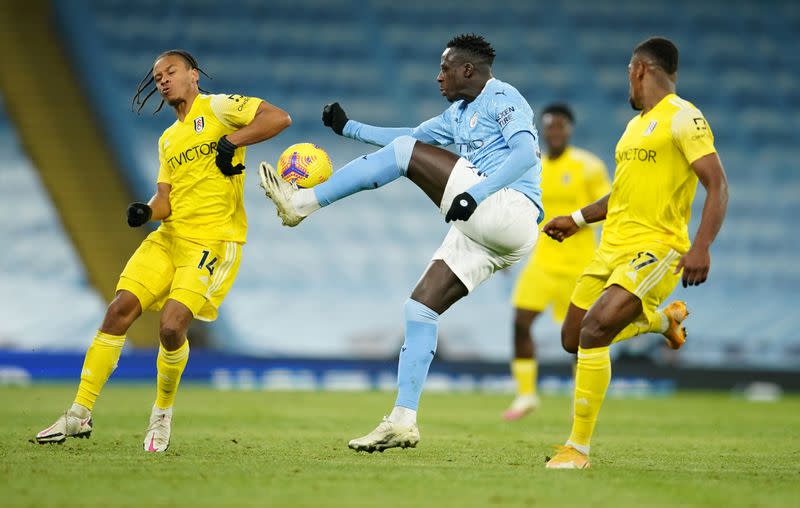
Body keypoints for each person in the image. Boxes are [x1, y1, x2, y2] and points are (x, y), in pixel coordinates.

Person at [259, 34, 543, 452]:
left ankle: (301, 203)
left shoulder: (504, 98)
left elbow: (524, 155)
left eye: (445, 68)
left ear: (468, 69)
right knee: (420, 309)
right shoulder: (459, 111)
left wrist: (476, 195)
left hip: (508, 209)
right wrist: (348, 127)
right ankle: (402, 420)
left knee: (408, 153)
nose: (439, 76)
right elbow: (407, 137)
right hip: (486, 230)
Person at [35, 50, 291, 452]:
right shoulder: (168, 139)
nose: (163, 81)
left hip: (212, 241)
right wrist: (145, 210)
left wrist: (232, 141)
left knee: (171, 327)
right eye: (157, 78)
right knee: (118, 309)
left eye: (170, 72)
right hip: (168, 238)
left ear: (192, 74)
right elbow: (164, 200)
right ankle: (78, 413)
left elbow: (278, 118)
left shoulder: (220, 106)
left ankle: (161, 414)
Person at [543, 37, 728, 469]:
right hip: (611, 248)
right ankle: (665, 320)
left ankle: (578, 449)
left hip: (656, 248)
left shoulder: (685, 118)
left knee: (594, 331)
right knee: (573, 339)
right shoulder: (632, 128)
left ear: (640, 69)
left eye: (628, 71)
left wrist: (701, 245)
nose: (627, 79)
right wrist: (576, 219)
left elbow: (717, 184)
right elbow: (621, 196)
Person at [504, 103, 610, 421]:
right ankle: (526, 395)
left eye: (560, 126)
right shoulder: (532, 167)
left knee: (579, 339)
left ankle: (583, 402)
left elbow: (610, 206)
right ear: (542, 130)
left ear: (569, 129)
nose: (555, 131)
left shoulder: (588, 166)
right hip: (543, 262)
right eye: (549, 126)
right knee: (520, 323)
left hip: (580, 264)